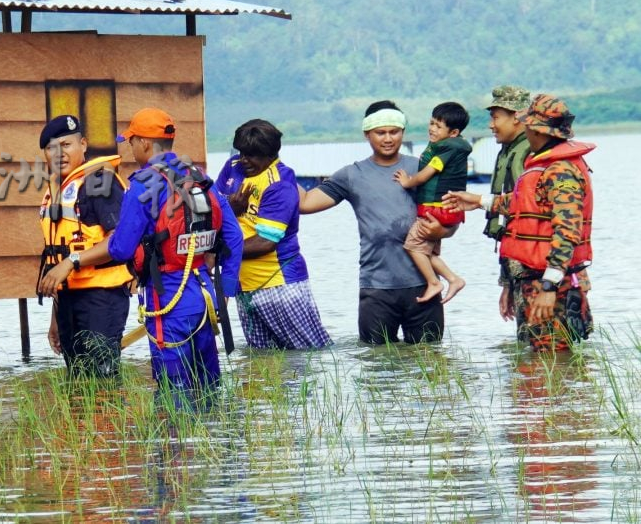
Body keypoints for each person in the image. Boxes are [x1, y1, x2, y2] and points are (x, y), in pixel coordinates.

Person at [42, 108, 242, 395]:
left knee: (173, 390)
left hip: (167, 295)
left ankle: (174, 441)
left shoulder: (142, 185)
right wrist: (228, 290)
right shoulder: (199, 177)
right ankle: (213, 436)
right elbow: (233, 236)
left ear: (145, 143)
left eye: (132, 141)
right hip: (204, 292)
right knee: (207, 383)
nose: (131, 148)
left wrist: (73, 260)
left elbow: (121, 248)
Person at [443, 94, 594, 351]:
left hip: (551, 283)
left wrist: (549, 286)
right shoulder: (547, 165)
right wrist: (479, 201)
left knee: (551, 358)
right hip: (537, 278)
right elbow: (525, 205)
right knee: (541, 358)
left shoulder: (560, 170)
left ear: (538, 130)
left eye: (528, 125)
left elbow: (568, 231)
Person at [299, 101, 450, 344]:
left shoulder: (422, 169)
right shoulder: (352, 175)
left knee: (431, 361)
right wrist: (277, 170)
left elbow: (450, 217)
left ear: (403, 132)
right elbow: (305, 203)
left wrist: (443, 230)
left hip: (423, 284)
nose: (388, 139)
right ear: (367, 134)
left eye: (394, 132)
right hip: (376, 287)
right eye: (381, 133)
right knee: (376, 365)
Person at [32, 114, 132, 378]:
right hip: (68, 302)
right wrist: (55, 317)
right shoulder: (57, 190)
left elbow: (119, 241)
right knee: (78, 382)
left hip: (101, 298)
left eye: (66, 145)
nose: (59, 153)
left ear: (83, 145)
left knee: (102, 381)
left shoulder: (100, 182)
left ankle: (110, 421)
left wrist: (72, 261)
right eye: (51, 148)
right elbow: (58, 258)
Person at [224, 119, 331, 349]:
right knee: (261, 360)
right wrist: (230, 209)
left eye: (252, 155)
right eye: (242, 153)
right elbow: (214, 206)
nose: (244, 160)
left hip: (279, 285)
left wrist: (219, 250)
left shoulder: (279, 183)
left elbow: (265, 242)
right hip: (245, 288)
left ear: (270, 154)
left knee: (307, 353)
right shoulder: (233, 166)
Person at [392, 102, 472, 303]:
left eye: (438, 126)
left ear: (453, 133)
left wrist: (407, 181)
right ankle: (454, 279)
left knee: (412, 246)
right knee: (425, 250)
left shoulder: (445, 151)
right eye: (431, 123)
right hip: (448, 210)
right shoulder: (450, 147)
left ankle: (435, 282)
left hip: (438, 209)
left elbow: (426, 174)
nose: (432, 129)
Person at [481, 85, 532, 322]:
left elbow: (527, 207)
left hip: (533, 267)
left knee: (541, 345)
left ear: (517, 117)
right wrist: (507, 284)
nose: (491, 125)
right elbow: (509, 227)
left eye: (496, 117)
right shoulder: (509, 150)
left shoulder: (528, 152)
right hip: (517, 267)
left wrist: (480, 201)